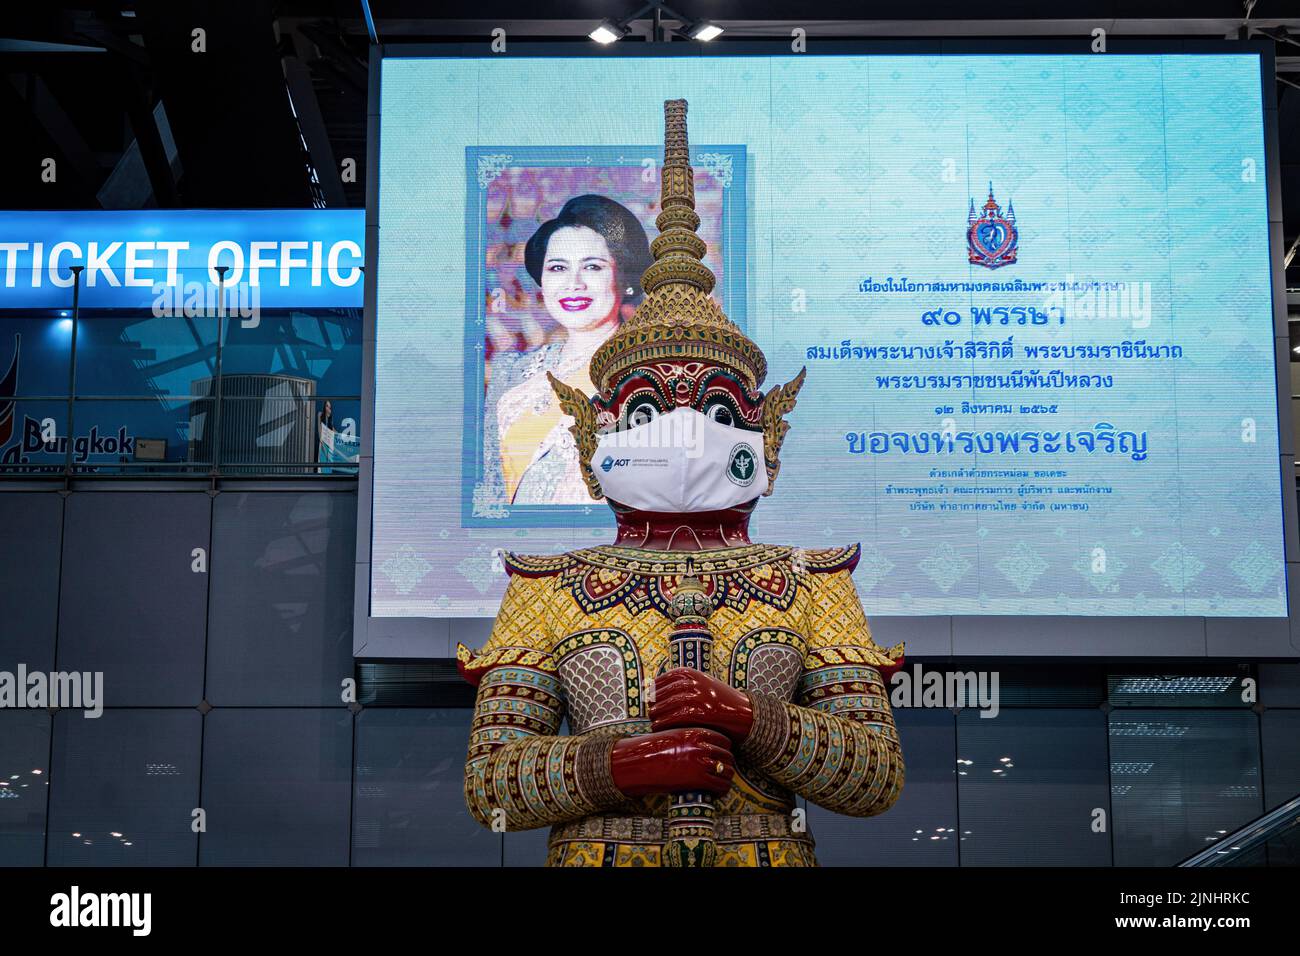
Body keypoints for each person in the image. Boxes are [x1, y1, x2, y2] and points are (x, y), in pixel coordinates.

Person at [458, 101, 905, 867]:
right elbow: (492, 785)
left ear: (765, 435)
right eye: (647, 407)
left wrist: (751, 718)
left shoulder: (808, 582)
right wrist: (621, 765)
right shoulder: (549, 585)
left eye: (717, 407)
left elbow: (874, 776)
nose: (685, 428)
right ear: (595, 432)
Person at [481, 194, 653, 507]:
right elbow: (489, 489)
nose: (573, 284)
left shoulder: (652, 375)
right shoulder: (511, 372)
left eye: (592, 267)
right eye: (558, 268)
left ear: (625, 278)